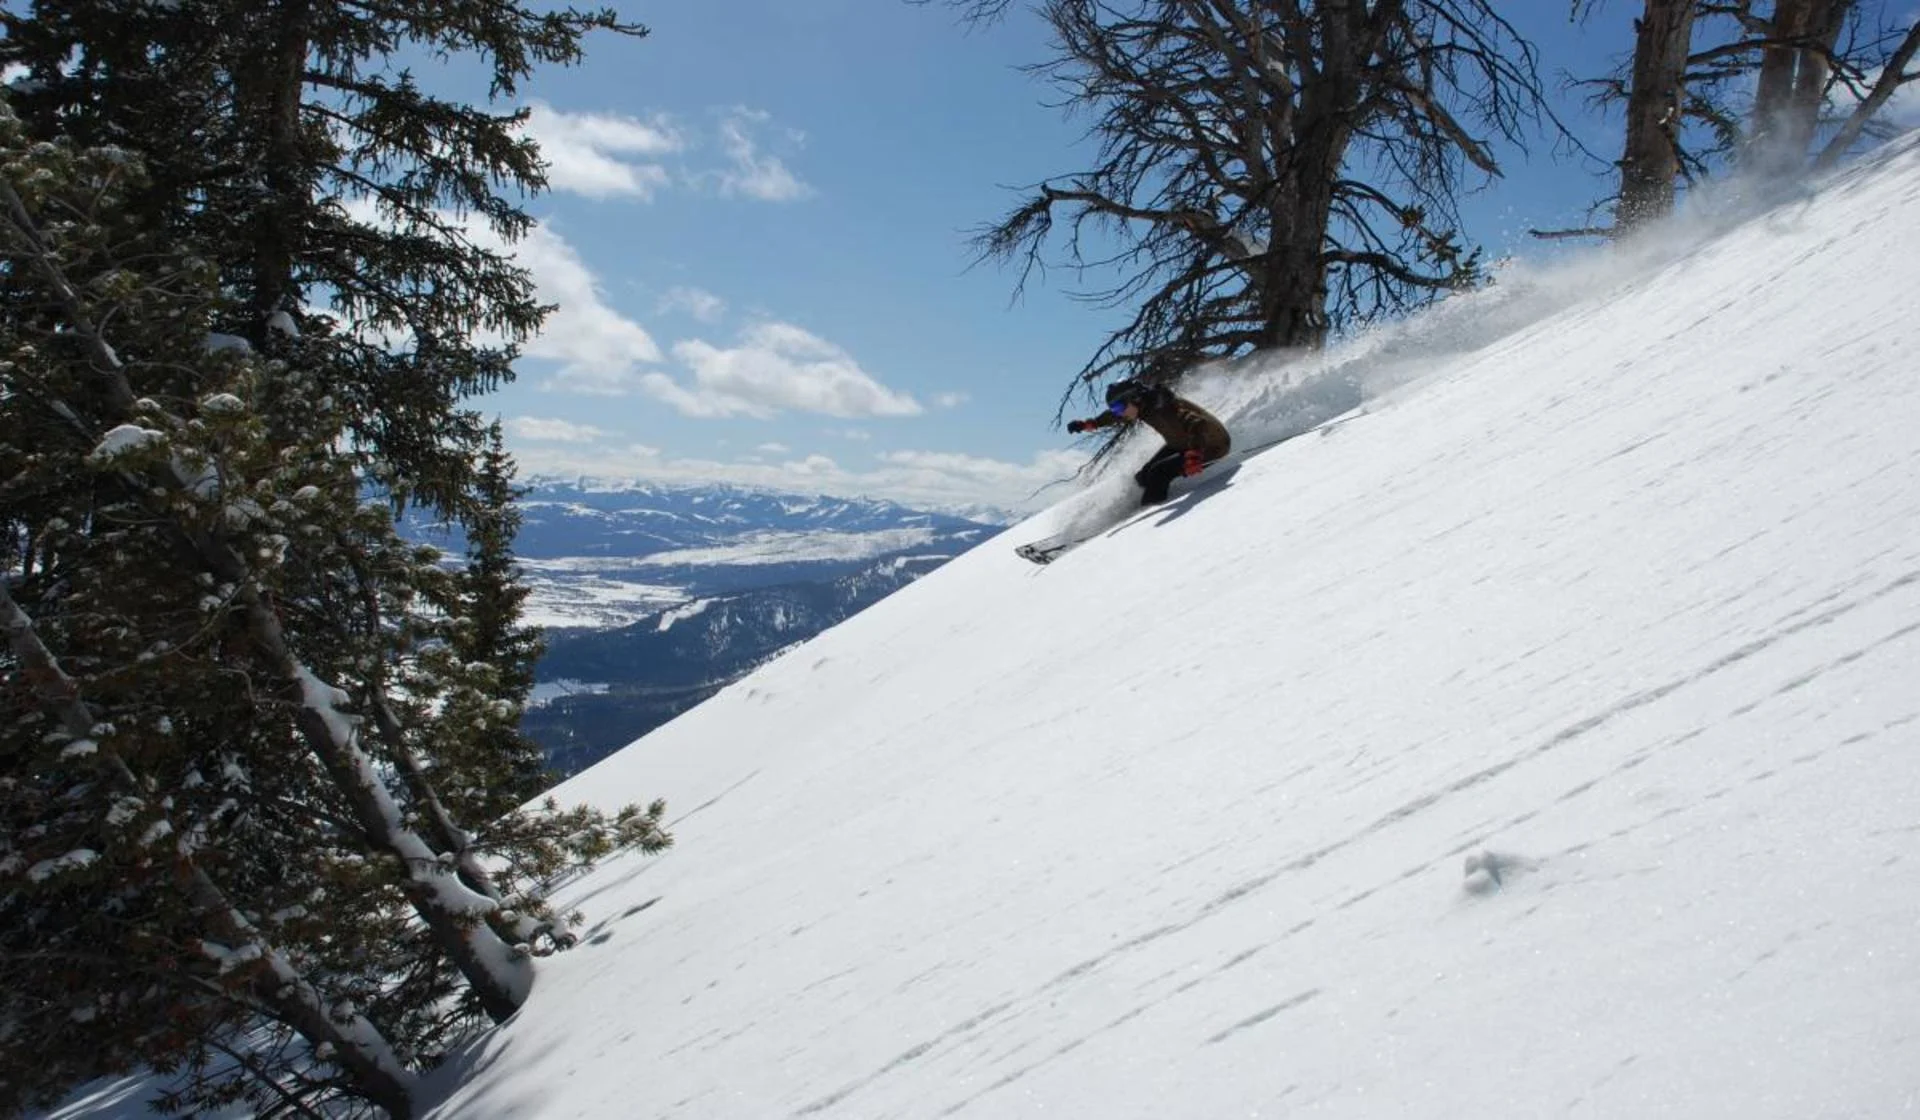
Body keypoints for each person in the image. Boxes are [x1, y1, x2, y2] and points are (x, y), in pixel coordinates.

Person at [1067, 378, 1232, 505]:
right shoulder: (1144, 407)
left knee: (1158, 473)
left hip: (1211, 445)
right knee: (1143, 476)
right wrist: (1091, 423)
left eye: (1119, 408)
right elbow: (1112, 417)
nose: (1118, 414)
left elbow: (1198, 424)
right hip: (1182, 444)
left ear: (1134, 399)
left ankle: (1150, 513)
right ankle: (1154, 497)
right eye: (1114, 409)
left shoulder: (1165, 407)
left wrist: (1194, 454)